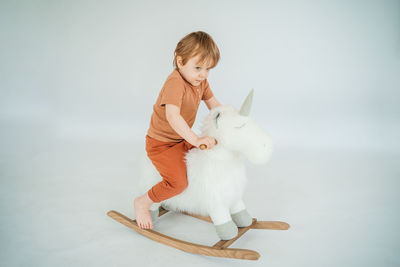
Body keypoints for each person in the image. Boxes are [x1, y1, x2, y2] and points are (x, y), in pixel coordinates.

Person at [134, 31, 222, 229]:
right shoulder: (175, 82)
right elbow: (173, 117)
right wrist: (196, 140)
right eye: (198, 67)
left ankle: (195, 201)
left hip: (181, 140)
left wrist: (228, 121)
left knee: (207, 160)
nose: (203, 74)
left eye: (208, 69)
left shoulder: (200, 81)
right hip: (161, 144)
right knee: (178, 183)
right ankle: (143, 202)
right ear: (180, 61)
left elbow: (215, 106)